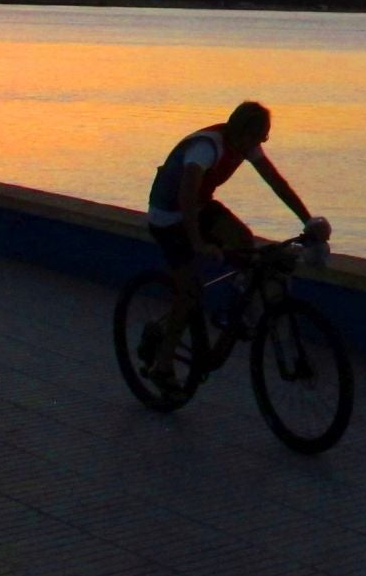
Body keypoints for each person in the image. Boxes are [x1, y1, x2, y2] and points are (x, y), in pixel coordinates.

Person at [141, 101, 329, 390]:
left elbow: (275, 181)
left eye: (264, 138)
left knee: (244, 241)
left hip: (199, 207)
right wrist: (198, 242)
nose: (261, 143)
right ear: (243, 132)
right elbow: (186, 196)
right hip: (168, 215)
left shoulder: (243, 144)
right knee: (189, 292)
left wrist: (308, 220)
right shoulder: (205, 149)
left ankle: (236, 309)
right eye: (260, 137)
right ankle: (162, 366)